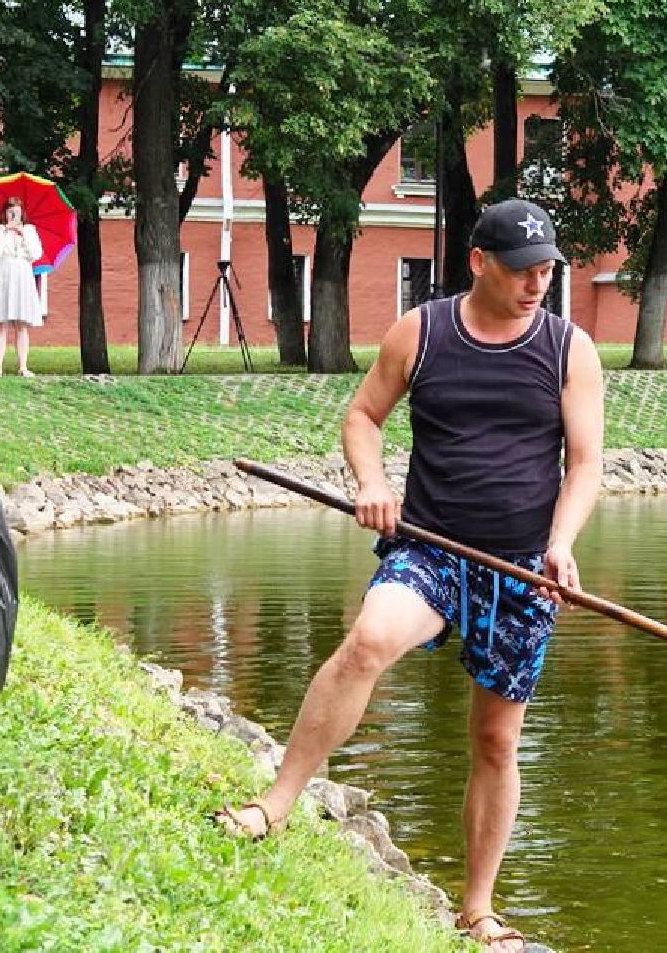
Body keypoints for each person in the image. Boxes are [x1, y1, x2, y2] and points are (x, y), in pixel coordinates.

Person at [216, 199, 604, 953]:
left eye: (547, 270)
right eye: (523, 271)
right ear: (479, 263)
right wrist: (372, 483)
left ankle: (478, 910)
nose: (536, 284)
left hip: (523, 566)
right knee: (368, 640)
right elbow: (363, 416)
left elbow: (583, 463)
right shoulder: (422, 331)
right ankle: (274, 803)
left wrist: (561, 543)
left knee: (495, 740)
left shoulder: (568, 348)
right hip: (428, 548)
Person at [0, 198, 44, 377]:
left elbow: (36, 254)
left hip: (23, 275)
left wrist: (22, 235)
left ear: (22, 213)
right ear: (5, 213)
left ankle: (23, 366)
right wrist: (6, 231)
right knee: (1, 324)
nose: (13, 215)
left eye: (16, 212)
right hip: (4, 275)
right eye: (10, 212)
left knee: (21, 324)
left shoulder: (29, 230)